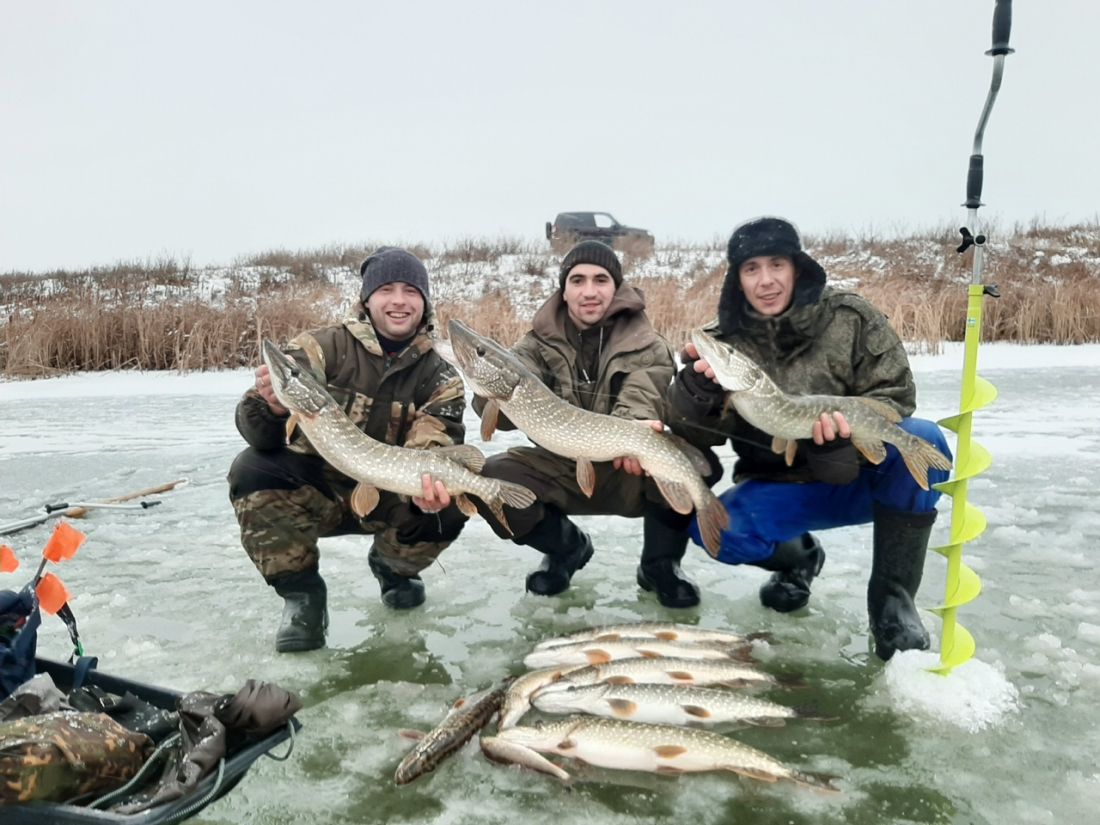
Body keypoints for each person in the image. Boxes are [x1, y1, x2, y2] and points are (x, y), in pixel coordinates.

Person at [667, 217, 952, 659]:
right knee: (721, 534)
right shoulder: (724, 341)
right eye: (751, 269)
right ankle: (800, 558)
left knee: (921, 438)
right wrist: (695, 399)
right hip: (779, 486)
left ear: (796, 267)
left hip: (859, 476)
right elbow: (692, 435)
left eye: (777, 264)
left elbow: (894, 397)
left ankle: (894, 602)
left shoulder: (850, 318)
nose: (765, 281)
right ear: (737, 278)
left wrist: (843, 444)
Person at [227, 247, 468, 653]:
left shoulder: (441, 376)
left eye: (410, 290)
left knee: (452, 502)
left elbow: (434, 441)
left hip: (390, 494)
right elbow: (259, 435)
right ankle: (302, 596)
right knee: (253, 469)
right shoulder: (319, 347)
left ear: (424, 302)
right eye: (386, 289)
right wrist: (270, 404)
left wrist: (428, 490)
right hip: (317, 489)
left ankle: (395, 570)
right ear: (367, 298)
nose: (398, 300)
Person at [472, 240, 716, 608]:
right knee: (490, 480)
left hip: (624, 471)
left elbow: (640, 401)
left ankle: (659, 565)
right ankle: (566, 549)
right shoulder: (533, 344)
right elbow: (498, 419)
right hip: (561, 467)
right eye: (578, 280)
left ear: (616, 288)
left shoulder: (648, 344)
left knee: (695, 467)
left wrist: (633, 432)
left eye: (601, 280)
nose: (589, 291)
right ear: (564, 289)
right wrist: (488, 390)